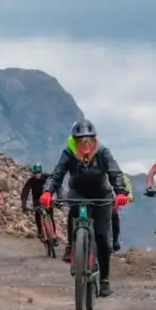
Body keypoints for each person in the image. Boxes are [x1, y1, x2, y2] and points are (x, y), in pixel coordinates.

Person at [39, 119, 129, 297]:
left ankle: (104, 280)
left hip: (101, 196)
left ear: (94, 140)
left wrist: (120, 191)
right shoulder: (69, 153)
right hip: (78, 194)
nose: (84, 144)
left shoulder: (103, 152)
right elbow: (57, 174)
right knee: (75, 211)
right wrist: (47, 191)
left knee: (103, 238)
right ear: (75, 141)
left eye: (88, 140)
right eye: (80, 140)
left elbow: (115, 172)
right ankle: (73, 246)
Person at [20, 163, 56, 242]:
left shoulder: (46, 177)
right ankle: (40, 230)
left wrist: (57, 197)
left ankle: (54, 236)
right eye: (34, 173)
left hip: (47, 198)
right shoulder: (31, 181)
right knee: (37, 214)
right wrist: (23, 205)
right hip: (37, 200)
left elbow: (54, 184)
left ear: (41, 171)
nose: (36, 174)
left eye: (38, 172)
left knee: (51, 216)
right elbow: (25, 192)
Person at [111, 173, 133, 252]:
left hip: (108, 198)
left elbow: (126, 184)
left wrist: (128, 195)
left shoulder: (117, 172)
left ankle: (115, 240)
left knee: (113, 213)